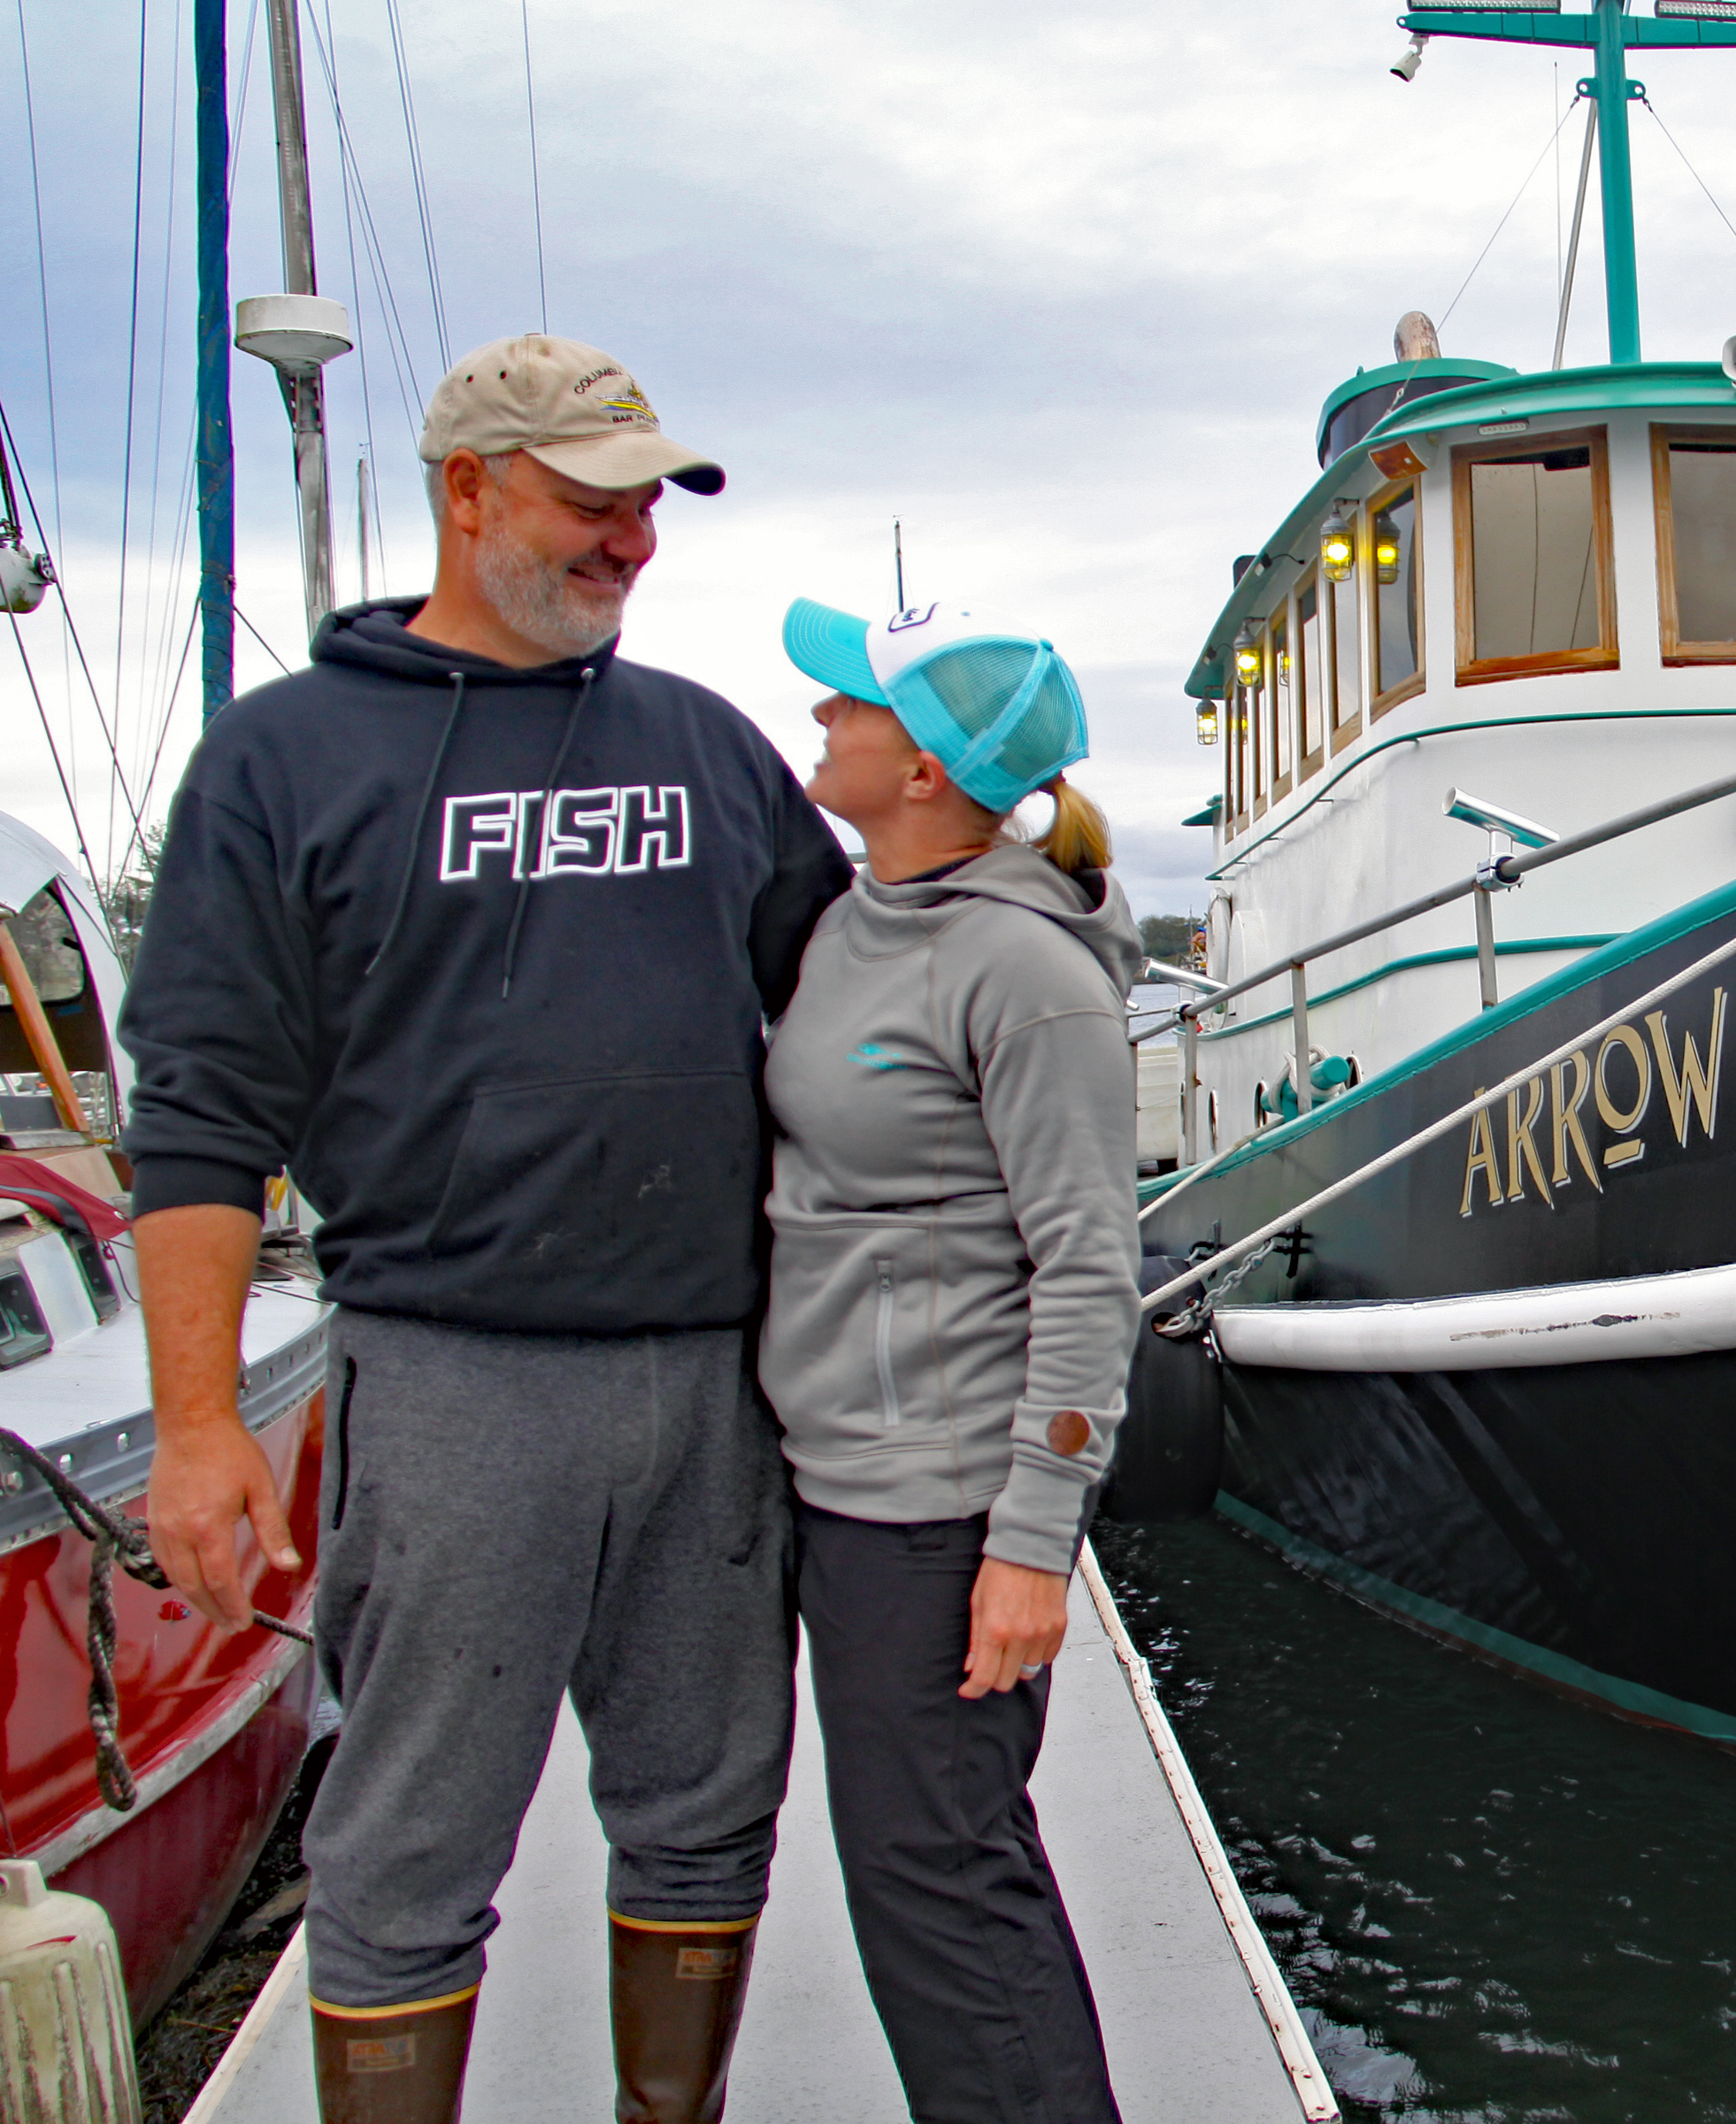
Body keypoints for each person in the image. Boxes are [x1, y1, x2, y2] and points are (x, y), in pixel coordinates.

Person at [122, 335, 851, 2123]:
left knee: (707, 1813)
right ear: (469, 491)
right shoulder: (281, 761)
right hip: (453, 1385)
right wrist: (203, 1428)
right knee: (410, 1844)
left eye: (647, 510)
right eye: (594, 504)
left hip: (714, 1381)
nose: (631, 545)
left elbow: (851, 1006)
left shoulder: (703, 745)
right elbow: (200, 1114)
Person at [764, 596, 1140, 2121]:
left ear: (925, 769)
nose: (822, 720)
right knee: (921, 1879)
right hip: (834, 1480)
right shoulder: (855, 915)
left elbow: (1092, 1269)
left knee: (942, 1891)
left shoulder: (1024, 970)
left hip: (936, 1511)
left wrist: (1033, 1550)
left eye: (852, 705)